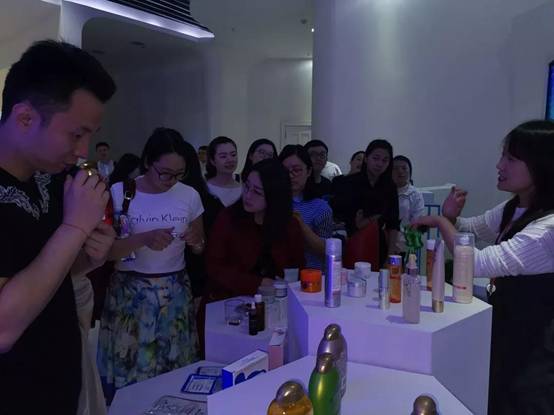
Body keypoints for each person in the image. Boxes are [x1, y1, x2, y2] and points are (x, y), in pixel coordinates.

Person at [0, 40, 116, 414]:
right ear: (25, 118)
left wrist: (87, 258)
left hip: (60, 386)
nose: (83, 151)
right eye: (76, 134)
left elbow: (44, 275)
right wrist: (74, 228)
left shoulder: (53, 178)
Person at [411, 120, 554, 414]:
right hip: (506, 330)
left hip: (535, 346)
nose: (500, 165)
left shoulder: (547, 230)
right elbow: (472, 229)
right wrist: (452, 217)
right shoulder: (514, 207)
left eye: (511, 159)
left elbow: (474, 263)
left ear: (540, 165)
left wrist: (440, 221)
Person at [98, 128, 205, 396]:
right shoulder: (120, 192)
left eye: (179, 174)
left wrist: (196, 241)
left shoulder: (189, 195)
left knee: (173, 368)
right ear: (147, 162)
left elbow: (200, 246)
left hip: (174, 293)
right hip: (129, 294)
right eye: (165, 173)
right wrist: (143, 239)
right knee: (131, 370)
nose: (171, 181)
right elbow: (106, 252)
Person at [204, 159, 305, 301]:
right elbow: (214, 267)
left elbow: (298, 268)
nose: (248, 196)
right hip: (229, 299)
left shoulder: (289, 225)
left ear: (274, 196)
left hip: (277, 299)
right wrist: (257, 283)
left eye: (257, 192)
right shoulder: (228, 218)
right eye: (246, 186)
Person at [332, 139, 400, 266]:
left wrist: (390, 256)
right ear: (366, 158)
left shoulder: (389, 187)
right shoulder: (348, 183)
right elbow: (338, 216)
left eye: (385, 160)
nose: (379, 164)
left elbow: (393, 223)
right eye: (376, 158)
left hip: (377, 242)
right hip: (349, 240)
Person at [279, 145, 333, 270]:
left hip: (311, 273)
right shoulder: (270, 202)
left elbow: (326, 251)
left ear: (308, 171)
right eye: (285, 171)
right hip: (278, 273)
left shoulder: (320, 207)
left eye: (297, 170)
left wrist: (300, 224)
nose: (290, 176)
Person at [392, 155, 425, 254]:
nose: (400, 171)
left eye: (404, 168)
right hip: (383, 242)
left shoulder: (415, 194)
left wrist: (409, 245)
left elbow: (417, 221)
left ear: (409, 171)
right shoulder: (383, 191)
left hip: (404, 246)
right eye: (395, 168)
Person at [205, 136, 242, 207]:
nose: (230, 160)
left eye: (233, 155)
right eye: (223, 156)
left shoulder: (243, 190)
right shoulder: (205, 189)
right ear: (212, 161)